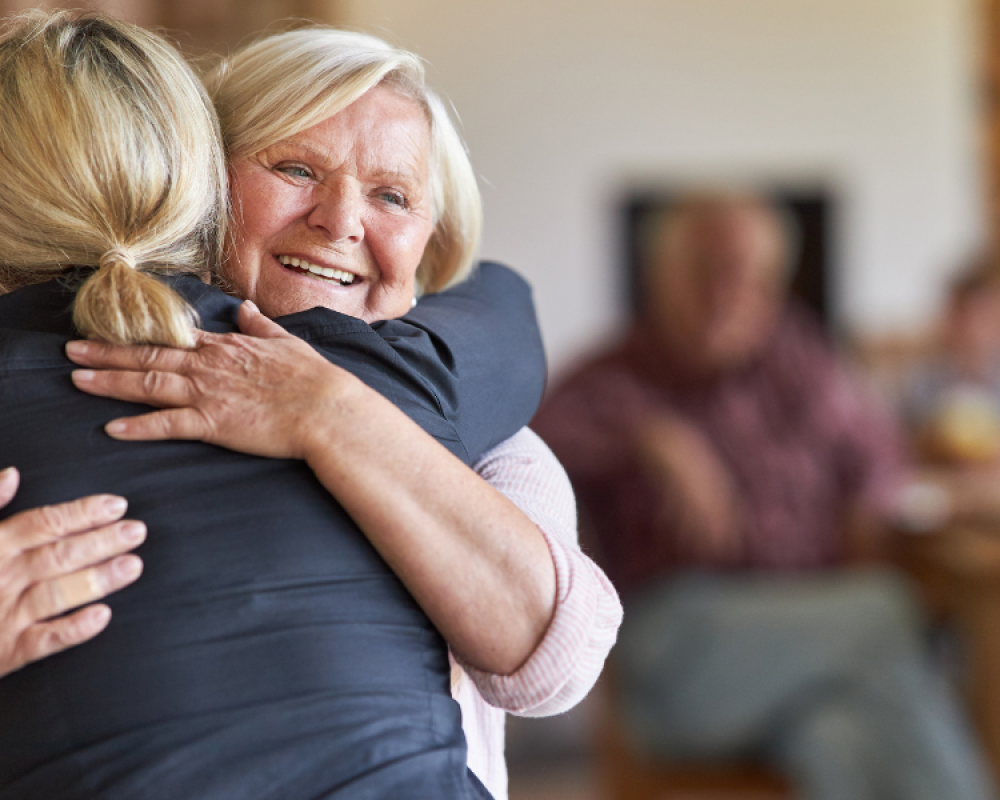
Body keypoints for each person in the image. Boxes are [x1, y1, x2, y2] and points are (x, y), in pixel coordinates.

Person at [0, 14, 620, 800]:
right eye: (294, 167)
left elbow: (556, 667)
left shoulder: (469, 420)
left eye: (393, 195)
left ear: (433, 243)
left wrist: (334, 415)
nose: (342, 220)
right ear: (196, 185)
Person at [534, 193, 996, 800]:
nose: (729, 291)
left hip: (806, 651)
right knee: (885, 612)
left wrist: (869, 500)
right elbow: (529, 444)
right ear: (661, 275)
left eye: (750, 275)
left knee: (838, 734)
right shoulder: (613, 376)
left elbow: (881, 458)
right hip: (678, 656)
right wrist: (653, 435)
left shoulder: (798, 360)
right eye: (707, 269)